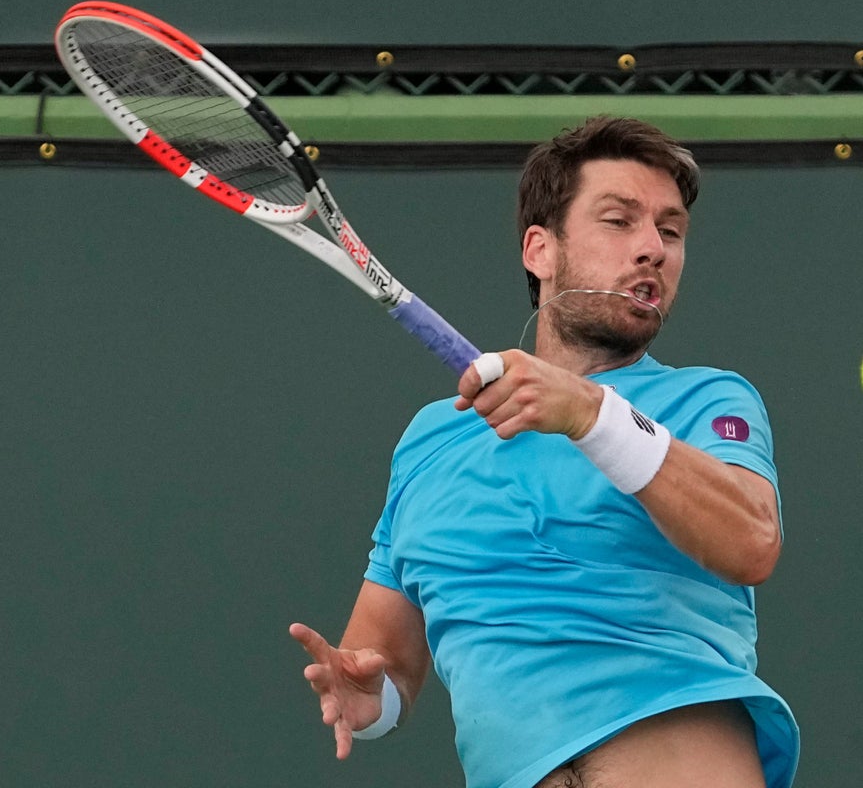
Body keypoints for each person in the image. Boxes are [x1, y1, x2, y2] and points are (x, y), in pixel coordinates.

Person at [290, 116, 799, 788]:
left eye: (671, 231)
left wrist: (589, 413)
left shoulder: (707, 402)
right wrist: (372, 699)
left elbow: (751, 541)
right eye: (620, 221)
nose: (653, 248)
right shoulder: (430, 442)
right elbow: (384, 653)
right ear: (540, 249)